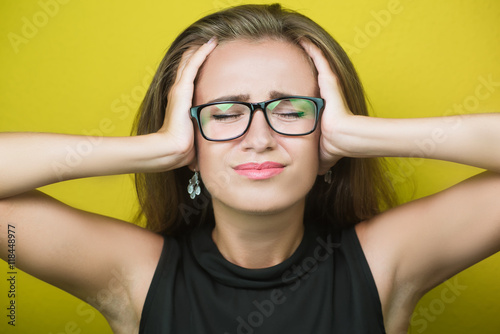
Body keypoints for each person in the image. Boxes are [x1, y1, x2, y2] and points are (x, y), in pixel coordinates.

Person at [0, 3, 499, 333]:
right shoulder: (135, 273)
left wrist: (362, 136)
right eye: (223, 114)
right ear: (188, 134)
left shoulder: (385, 262)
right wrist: (159, 150)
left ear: (325, 132)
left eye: (290, 111)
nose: (259, 139)